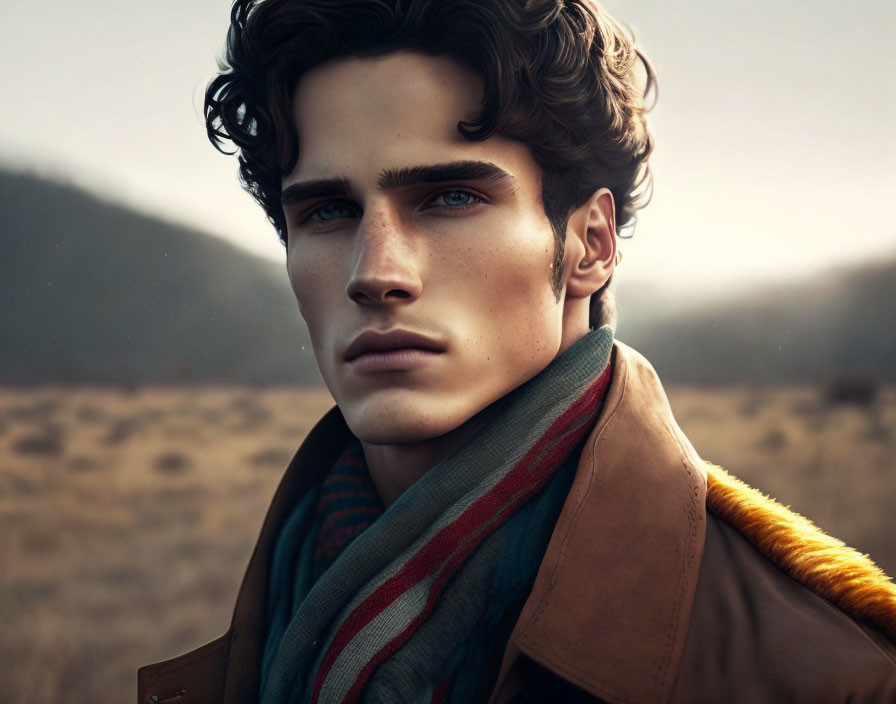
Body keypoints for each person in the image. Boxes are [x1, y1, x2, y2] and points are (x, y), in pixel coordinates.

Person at [138, 1, 896, 701]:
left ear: (589, 245)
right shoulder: (281, 606)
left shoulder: (827, 676)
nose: (376, 274)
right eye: (329, 211)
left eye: (451, 198)